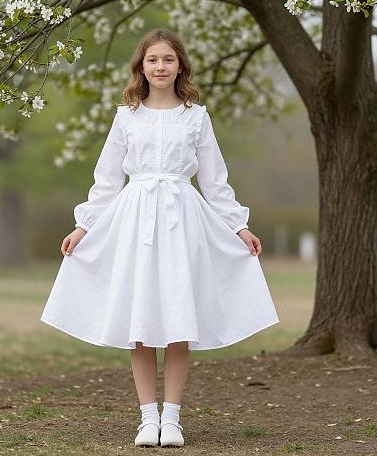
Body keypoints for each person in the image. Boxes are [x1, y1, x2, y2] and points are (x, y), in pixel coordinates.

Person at [40, 28, 280, 448]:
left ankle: (173, 418)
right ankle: (146, 417)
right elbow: (107, 179)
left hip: (181, 220)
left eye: (168, 59)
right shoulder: (126, 116)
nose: (161, 67)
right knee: (142, 322)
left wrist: (238, 226)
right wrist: (84, 226)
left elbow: (214, 180)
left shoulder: (196, 116)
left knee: (177, 321)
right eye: (153, 60)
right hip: (135, 222)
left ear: (180, 65)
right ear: (142, 67)